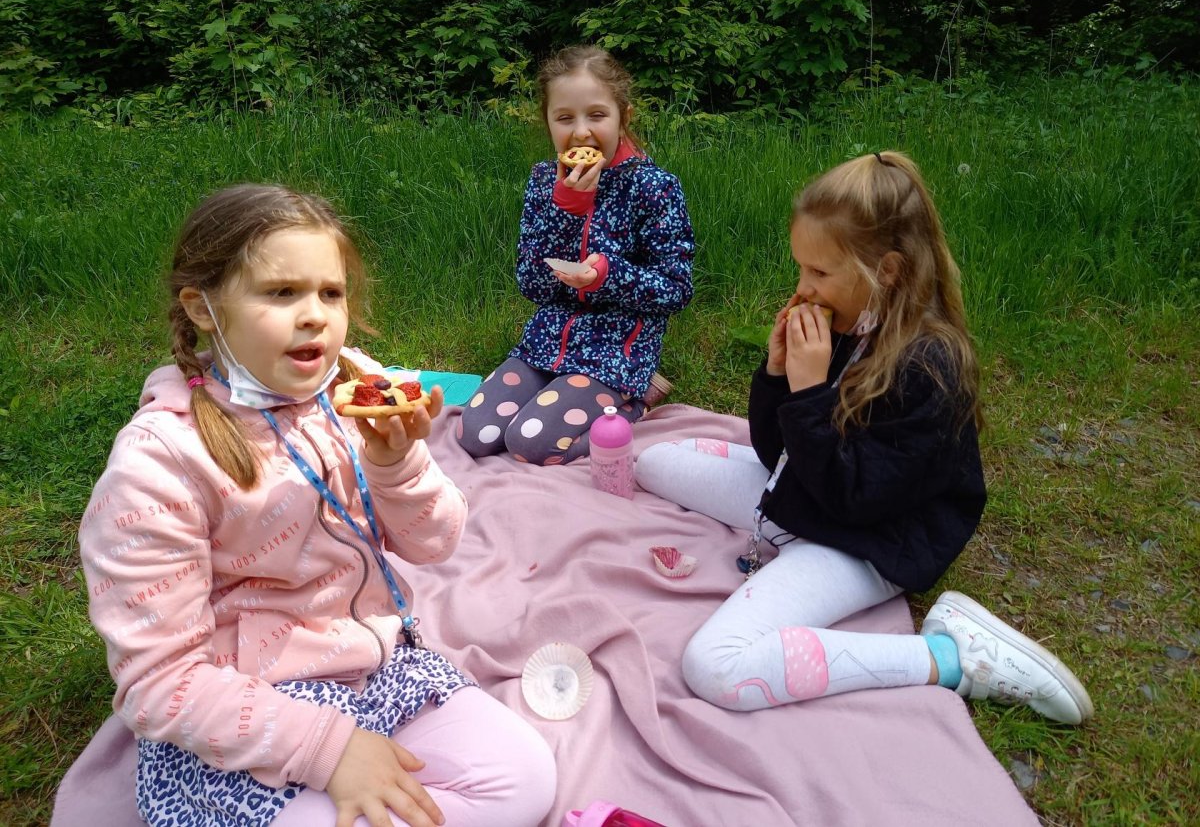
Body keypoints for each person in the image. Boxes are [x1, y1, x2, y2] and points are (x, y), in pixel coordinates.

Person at [76, 184, 556, 827]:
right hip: (247, 706)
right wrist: (330, 752)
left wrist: (395, 465)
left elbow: (434, 544)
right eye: (281, 293)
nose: (315, 316)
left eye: (331, 293)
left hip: (374, 668)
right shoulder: (159, 465)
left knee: (526, 776)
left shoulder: (356, 387)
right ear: (202, 307)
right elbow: (160, 683)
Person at [635, 152, 1094, 725]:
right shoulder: (851, 323)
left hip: (870, 537)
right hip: (817, 489)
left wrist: (808, 394)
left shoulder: (930, 368)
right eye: (801, 268)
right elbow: (777, 453)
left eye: (820, 273)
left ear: (889, 271)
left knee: (715, 665)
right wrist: (777, 376)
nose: (803, 288)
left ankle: (953, 657)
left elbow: (854, 499)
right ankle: (782, 537)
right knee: (653, 462)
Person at [456, 45, 694, 465]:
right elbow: (532, 283)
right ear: (548, 122)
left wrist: (608, 275)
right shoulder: (543, 181)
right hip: (547, 339)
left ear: (623, 117)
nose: (581, 132)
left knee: (530, 443)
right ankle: (558, 396)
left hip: (616, 350)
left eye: (596, 115)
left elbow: (676, 289)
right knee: (475, 434)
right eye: (565, 118)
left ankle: (636, 402)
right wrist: (566, 210)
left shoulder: (654, 188)